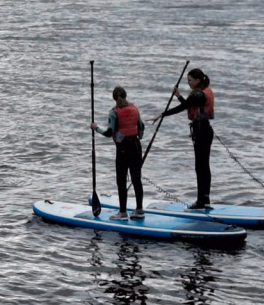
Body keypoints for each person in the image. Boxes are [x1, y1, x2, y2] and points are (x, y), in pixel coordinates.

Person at [150, 68, 214, 209]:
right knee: (203, 166)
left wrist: (161, 114)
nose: (189, 83)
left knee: (201, 166)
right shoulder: (203, 92)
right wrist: (178, 95)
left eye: (190, 80)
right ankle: (205, 199)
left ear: (197, 80)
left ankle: (201, 201)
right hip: (203, 130)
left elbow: (183, 107)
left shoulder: (198, 95)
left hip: (202, 132)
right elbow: (189, 106)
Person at [91, 85, 146, 221]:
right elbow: (141, 127)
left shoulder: (114, 113)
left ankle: (122, 213)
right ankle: (139, 210)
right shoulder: (134, 109)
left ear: (114, 98)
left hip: (123, 149)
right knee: (136, 179)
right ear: (125, 96)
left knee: (121, 181)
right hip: (136, 146)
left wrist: (96, 128)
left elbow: (109, 132)